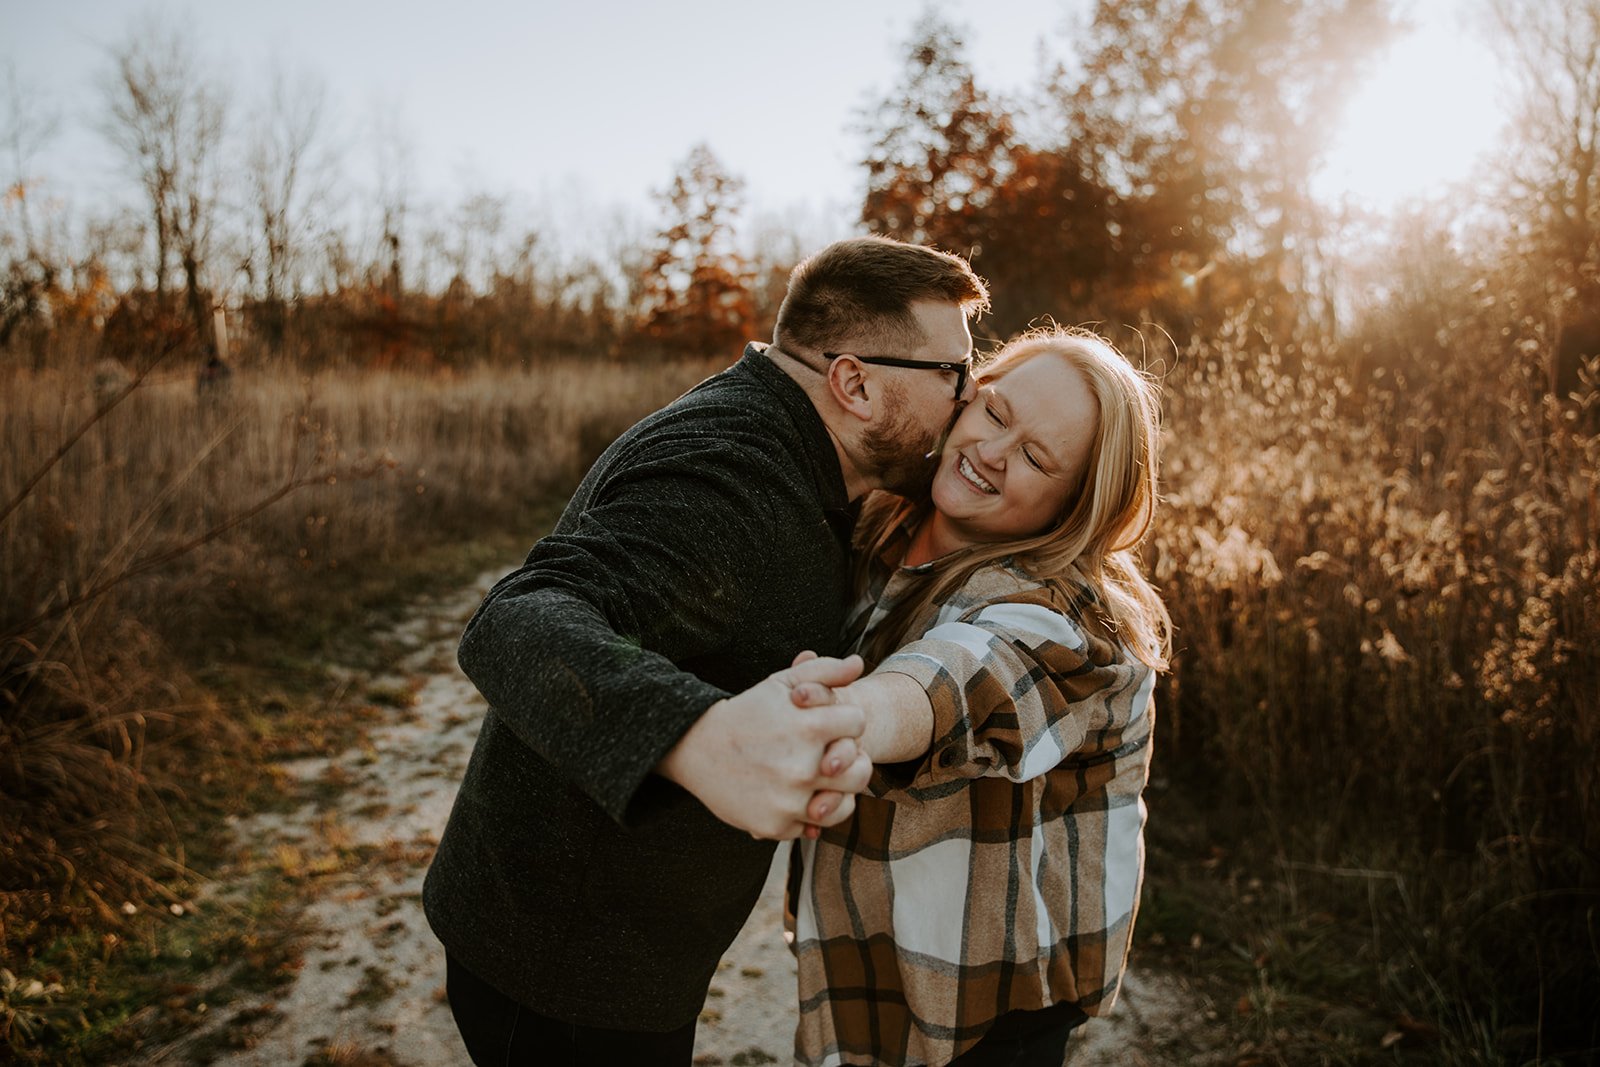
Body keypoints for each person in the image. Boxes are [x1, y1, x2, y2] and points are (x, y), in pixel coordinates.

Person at [423, 236, 990, 1065]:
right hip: (567, 977)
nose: (968, 401)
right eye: (954, 375)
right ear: (855, 382)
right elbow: (519, 616)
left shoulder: (789, 442)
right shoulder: (732, 477)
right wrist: (696, 735)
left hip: (598, 952)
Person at [787, 327, 1172, 1066]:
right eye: (995, 414)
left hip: (993, 1006)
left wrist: (842, 718)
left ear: (1072, 506)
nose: (993, 451)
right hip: (862, 957)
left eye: (1035, 456)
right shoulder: (879, 526)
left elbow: (952, 682)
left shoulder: (1066, 622)